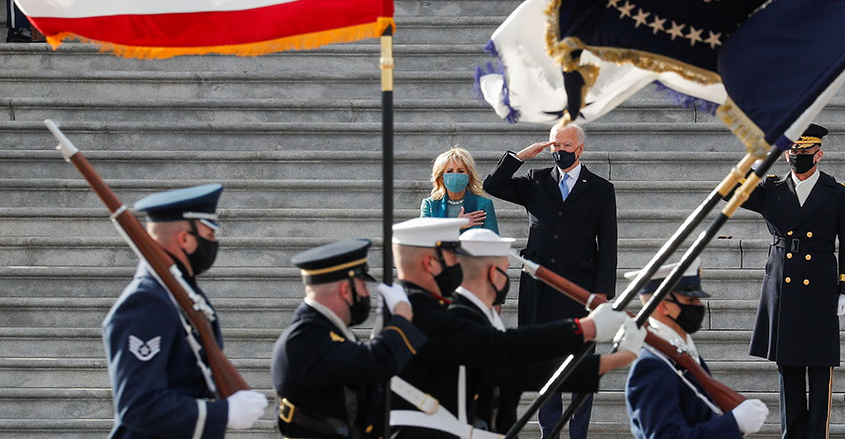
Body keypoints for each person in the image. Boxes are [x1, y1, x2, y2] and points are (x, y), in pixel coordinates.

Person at [388, 217, 639, 439]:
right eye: (452, 259)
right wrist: (586, 328)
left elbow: (524, 371)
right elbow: (501, 349)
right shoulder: (417, 310)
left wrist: (618, 358)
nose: (456, 267)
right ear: (430, 262)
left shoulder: (429, 308)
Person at [483, 122, 618, 438]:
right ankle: (550, 430)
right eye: (555, 145)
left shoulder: (600, 188)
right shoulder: (536, 180)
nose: (559, 151)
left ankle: (578, 432)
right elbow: (493, 185)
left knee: (581, 362)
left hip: (580, 289)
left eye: (565, 146)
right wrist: (521, 157)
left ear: (580, 149)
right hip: (540, 286)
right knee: (546, 361)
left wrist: (602, 292)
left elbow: (608, 243)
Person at [102, 183, 268, 439]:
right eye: (209, 235)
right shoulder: (146, 302)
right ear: (184, 238)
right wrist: (222, 413)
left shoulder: (180, 292)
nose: (213, 243)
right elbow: (138, 406)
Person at [452, 228, 642, 432]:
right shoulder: (458, 316)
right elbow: (511, 351)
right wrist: (586, 328)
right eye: (504, 269)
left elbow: (532, 372)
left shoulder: (480, 316)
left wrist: (620, 358)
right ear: (492, 273)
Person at [738, 123, 845, 439]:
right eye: (791, 151)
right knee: (788, 369)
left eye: (803, 152)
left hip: (819, 287)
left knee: (820, 369)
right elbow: (733, 192)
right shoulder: (771, 189)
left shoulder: (836, 193)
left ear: (818, 154)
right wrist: (757, 158)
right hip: (783, 287)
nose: (796, 156)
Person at [271, 238, 426, 439]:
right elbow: (378, 361)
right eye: (363, 285)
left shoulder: (324, 331)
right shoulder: (305, 340)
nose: (366, 294)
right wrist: (402, 315)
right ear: (345, 290)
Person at [625, 260, 770, 438]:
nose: (699, 306)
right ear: (663, 305)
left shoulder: (680, 352)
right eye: (690, 300)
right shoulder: (651, 365)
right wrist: (733, 423)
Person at [421, 146, 499, 233]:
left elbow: (493, 240)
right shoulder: (430, 205)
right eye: (449, 171)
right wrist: (457, 225)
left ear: (469, 176)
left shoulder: (483, 204)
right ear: (442, 177)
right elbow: (423, 239)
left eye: (460, 171)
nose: (455, 175)